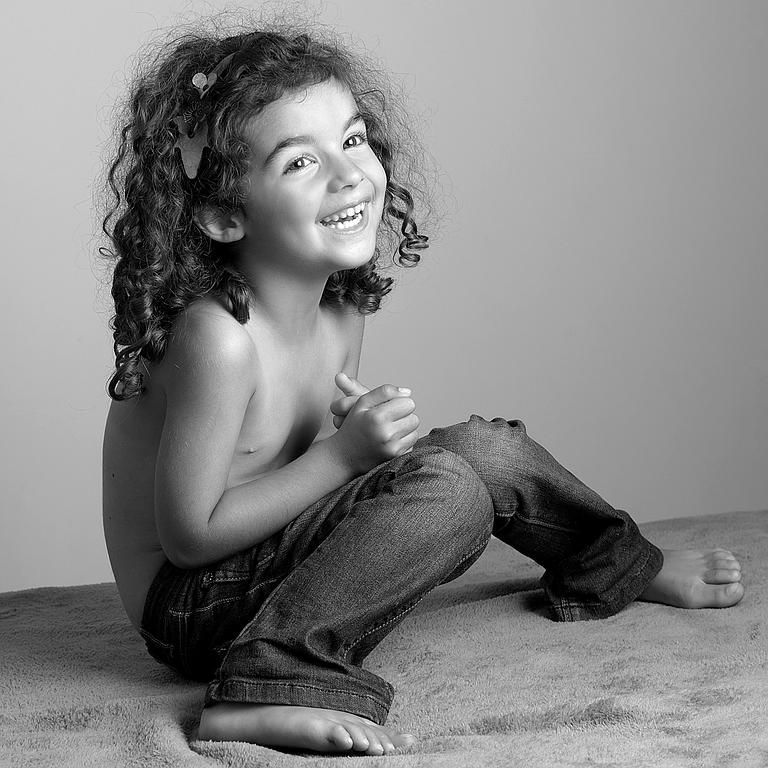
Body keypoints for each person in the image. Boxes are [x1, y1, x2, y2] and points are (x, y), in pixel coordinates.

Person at [101, 22, 744, 757]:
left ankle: (614, 562)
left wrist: (355, 449)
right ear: (222, 214)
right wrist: (345, 459)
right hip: (187, 609)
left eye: (351, 141)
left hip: (255, 563)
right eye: (299, 163)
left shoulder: (336, 312)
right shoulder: (216, 339)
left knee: (482, 452)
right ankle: (266, 682)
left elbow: (287, 467)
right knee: (448, 487)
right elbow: (190, 536)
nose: (349, 176)